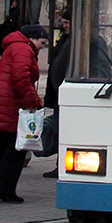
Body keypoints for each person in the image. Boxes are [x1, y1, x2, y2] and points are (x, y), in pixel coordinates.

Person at [0, 24, 48, 202]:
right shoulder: (23, 49)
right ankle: (6, 191)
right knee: (15, 150)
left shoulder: (16, 46)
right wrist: (32, 103)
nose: (43, 47)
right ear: (32, 38)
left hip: (4, 102)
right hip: (10, 103)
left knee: (3, 147)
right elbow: (21, 77)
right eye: (42, 42)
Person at [41, 12, 71, 178]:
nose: (64, 25)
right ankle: (60, 164)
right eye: (63, 22)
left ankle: (62, 165)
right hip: (60, 93)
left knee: (66, 130)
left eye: (67, 23)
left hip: (68, 94)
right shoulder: (64, 39)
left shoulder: (83, 41)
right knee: (59, 130)